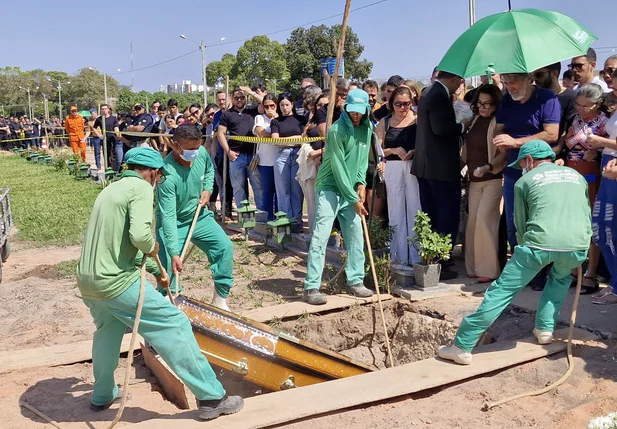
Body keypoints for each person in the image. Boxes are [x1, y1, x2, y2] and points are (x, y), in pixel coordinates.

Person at [76, 146, 243, 419]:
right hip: (116, 281)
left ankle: (103, 394)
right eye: (158, 176)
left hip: (88, 280)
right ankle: (212, 397)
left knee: (108, 331)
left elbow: (122, 245)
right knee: (174, 323)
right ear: (152, 173)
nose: (158, 181)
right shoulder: (140, 189)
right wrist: (154, 247)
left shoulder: (110, 190)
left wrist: (157, 270)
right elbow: (140, 238)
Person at [439, 140, 591, 365]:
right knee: (559, 281)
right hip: (576, 246)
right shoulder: (576, 176)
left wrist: (523, 252)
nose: (522, 168)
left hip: (538, 244)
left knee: (501, 291)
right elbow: (585, 210)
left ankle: (462, 345)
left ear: (529, 160)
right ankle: (545, 330)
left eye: (521, 163)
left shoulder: (525, 181)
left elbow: (520, 222)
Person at [302, 89, 374, 305]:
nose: (356, 115)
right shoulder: (336, 131)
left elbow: (362, 160)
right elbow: (339, 168)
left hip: (350, 189)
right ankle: (311, 286)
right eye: (352, 111)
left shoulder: (367, 128)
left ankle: (355, 280)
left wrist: (361, 184)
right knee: (321, 234)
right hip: (330, 188)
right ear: (346, 108)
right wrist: (353, 198)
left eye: (360, 112)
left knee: (355, 234)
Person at [156, 124, 235, 310]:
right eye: (190, 149)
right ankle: (170, 301)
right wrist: (174, 253)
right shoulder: (166, 175)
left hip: (199, 217)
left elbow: (208, 170)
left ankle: (220, 300)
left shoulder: (201, 153)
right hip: (174, 222)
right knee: (168, 262)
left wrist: (208, 189)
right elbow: (167, 217)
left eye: (197, 147)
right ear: (175, 145)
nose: (194, 152)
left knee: (224, 246)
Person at [493, 72, 561, 290]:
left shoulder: (547, 98)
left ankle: (541, 272)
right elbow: (500, 127)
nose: (509, 86)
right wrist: (500, 137)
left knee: (537, 223)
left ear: (527, 79)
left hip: (540, 173)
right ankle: (522, 271)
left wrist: (516, 142)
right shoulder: (506, 100)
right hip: (513, 172)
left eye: (513, 81)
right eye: (505, 82)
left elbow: (552, 134)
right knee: (514, 225)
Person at [412, 70, 470, 280]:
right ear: (455, 79)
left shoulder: (428, 93)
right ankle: (441, 262)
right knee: (446, 216)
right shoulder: (439, 96)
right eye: (460, 82)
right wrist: (463, 125)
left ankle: (433, 259)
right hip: (441, 168)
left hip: (426, 167)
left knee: (431, 215)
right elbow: (441, 128)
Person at [556, 83, 610, 295]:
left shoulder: (605, 123)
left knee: (591, 223)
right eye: (578, 104)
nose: (581, 109)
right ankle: (574, 269)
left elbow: (609, 149)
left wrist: (595, 154)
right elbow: (565, 142)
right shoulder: (575, 119)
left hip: (593, 174)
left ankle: (591, 273)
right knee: (573, 222)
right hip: (571, 171)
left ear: (598, 104)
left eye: (586, 106)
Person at [461, 84, 506, 283]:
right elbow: (466, 150)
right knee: (472, 223)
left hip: (493, 179)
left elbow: (503, 153)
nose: (483, 108)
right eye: (480, 103)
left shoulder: (498, 123)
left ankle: (488, 269)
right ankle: (473, 266)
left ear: (496, 105)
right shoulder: (475, 120)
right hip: (473, 180)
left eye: (488, 104)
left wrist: (488, 166)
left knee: (484, 220)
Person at [376, 86, 421, 266]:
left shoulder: (417, 120)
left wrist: (414, 151)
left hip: (412, 166)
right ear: (391, 103)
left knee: (415, 209)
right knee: (396, 212)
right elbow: (378, 150)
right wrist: (392, 150)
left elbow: (426, 144)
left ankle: (417, 256)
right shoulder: (385, 122)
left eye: (407, 104)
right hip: (393, 167)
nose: (403, 108)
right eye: (398, 104)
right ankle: (399, 256)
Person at [217, 87, 264, 212]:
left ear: (246, 98)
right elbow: (220, 133)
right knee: (238, 188)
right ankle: (244, 218)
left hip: (253, 156)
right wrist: (228, 151)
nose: (239, 100)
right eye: (236, 98)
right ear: (232, 99)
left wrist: (250, 92)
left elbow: (265, 102)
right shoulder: (227, 114)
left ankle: (261, 218)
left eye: (242, 97)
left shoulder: (253, 110)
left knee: (258, 187)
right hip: (236, 157)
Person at [271, 93, 306, 232]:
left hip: (298, 154)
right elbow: (275, 140)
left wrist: (286, 140)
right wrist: (295, 139)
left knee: (297, 190)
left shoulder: (300, 119)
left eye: (287, 104)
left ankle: (297, 221)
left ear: (292, 104)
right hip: (282, 156)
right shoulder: (276, 121)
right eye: (282, 105)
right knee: (282, 190)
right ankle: (285, 221)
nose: (285, 108)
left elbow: (304, 138)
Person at [299, 92, 329, 232]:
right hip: (311, 166)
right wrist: (310, 153)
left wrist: (320, 154)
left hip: (326, 165)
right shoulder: (311, 123)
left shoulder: (335, 122)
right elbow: (303, 140)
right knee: (312, 201)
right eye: (319, 105)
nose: (322, 107)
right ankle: (313, 232)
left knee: (325, 202)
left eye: (325, 105)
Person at [533, 62, 578, 142]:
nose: (535, 79)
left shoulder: (571, 97)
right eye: (533, 75)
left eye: (539, 75)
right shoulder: (532, 96)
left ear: (554, 74)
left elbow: (570, 130)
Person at [253, 94, 279, 221]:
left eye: (272, 106)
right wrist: (276, 134)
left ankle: (280, 219)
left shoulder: (281, 118)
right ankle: (267, 219)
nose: (269, 109)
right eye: (266, 106)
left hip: (280, 161)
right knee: (268, 192)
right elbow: (261, 133)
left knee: (280, 192)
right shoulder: (259, 118)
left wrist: (276, 119)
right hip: (265, 162)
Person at [93, 104, 122, 172]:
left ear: (108, 109)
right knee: (107, 155)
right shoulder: (99, 119)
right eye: (102, 109)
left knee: (115, 156)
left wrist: (117, 133)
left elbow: (116, 127)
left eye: (105, 108)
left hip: (113, 140)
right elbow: (94, 128)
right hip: (105, 141)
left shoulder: (113, 118)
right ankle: (108, 170)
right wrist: (98, 134)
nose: (104, 110)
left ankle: (115, 171)